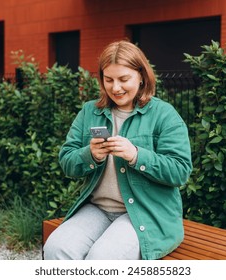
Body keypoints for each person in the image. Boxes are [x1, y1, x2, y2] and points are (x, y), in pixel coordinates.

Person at [43, 40, 192, 260]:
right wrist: (91, 155)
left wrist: (136, 155)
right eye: (108, 79)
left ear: (141, 76)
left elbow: (180, 171)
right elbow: (67, 161)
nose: (115, 88)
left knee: (102, 259)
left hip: (146, 214)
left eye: (124, 79)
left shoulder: (164, 114)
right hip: (97, 210)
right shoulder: (89, 112)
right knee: (56, 248)